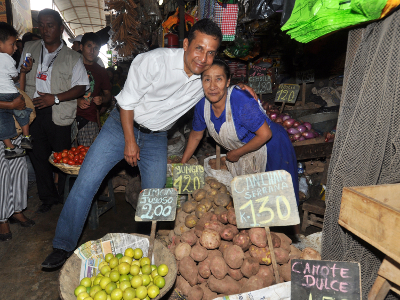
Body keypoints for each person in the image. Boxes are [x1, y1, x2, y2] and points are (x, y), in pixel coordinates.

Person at [41, 18, 256, 268]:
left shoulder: (204, 78)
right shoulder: (154, 61)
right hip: (121, 126)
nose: (203, 58)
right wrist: (130, 142)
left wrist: (239, 88)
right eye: (199, 48)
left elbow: (220, 87)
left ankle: (146, 247)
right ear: (186, 44)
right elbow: (126, 103)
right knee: (87, 182)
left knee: (154, 196)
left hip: (156, 137)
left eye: (211, 53)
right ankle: (62, 245)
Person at [181, 59, 299, 205]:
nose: (212, 86)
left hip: (272, 147)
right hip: (246, 150)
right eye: (207, 80)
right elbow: (196, 135)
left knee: (282, 201)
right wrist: (183, 162)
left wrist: (236, 153)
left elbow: (265, 134)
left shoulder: (239, 100)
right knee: (253, 204)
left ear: (227, 81)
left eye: (219, 79)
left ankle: (295, 228)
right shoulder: (201, 105)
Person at [18, 8, 89, 214]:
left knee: (62, 158)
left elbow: (81, 86)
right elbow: (21, 73)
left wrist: (55, 98)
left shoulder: (72, 57)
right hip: (33, 111)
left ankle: (64, 196)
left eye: (50, 25)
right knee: (38, 157)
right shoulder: (29, 48)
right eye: (41, 25)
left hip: (59, 112)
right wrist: (23, 72)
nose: (45, 29)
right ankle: (47, 198)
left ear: (59, 29)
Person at [0, 94, 35, 242]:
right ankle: (2, 219)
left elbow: (19, 89)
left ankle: (17, 210)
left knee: (19, 171)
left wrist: (22, 72)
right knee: (2, 177)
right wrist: (11, 105)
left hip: (14, 130)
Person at [0, 22, 33, 159]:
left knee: (2, 121)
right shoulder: (7, 58)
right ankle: (26, 137)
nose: (15, 48)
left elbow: (20, 85)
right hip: (10, 95)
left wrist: (24, 72)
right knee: (22, 111)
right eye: (12, 44)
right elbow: (14, 76)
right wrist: (12, 105)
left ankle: (10, 147)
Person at [76, 32, 112, 146]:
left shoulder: (101, 71)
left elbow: (108, 95)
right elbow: (60, 89)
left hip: (89, 119)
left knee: (87, 156)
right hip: (67, 117)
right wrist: (76, 101)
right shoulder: (72, 66)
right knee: (67, 159)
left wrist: (102, 99)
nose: (92, 51)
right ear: (81, 47)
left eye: (96, 48)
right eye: (89, 46)